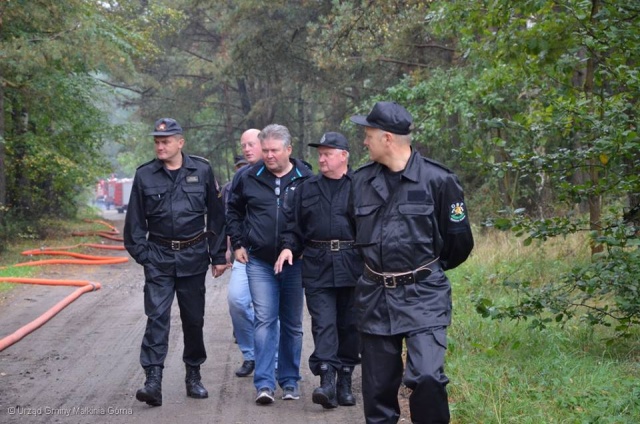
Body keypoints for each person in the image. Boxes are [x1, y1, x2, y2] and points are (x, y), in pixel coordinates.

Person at [349, 102, 474, 424]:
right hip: (375, 296)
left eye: (368, 135)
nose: (364, 141)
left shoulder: (439, 180)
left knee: (428, 377)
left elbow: (459, 242)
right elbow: (353, 232)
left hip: (424, 294)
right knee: (378, 390)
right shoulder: (360, 182)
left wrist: (422, 271)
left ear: (387, 138)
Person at [124, 118, 228, 407]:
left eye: (165, 141)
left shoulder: (201, 170)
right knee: (157, 317)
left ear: (180, 142)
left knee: (193, 319)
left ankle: (193, 375)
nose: (160, 146)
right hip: (158, 256)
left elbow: (216, 216)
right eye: (157, 142)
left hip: (193, 256)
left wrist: (218, 255)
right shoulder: (145, 175)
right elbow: (134, 223)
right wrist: (145, 256)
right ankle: (153, 380)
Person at [274, 132, 363, 409]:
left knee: (349, 325)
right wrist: (288, 247)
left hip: (352, 264)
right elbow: (293, 226)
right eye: (320, 154)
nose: (321, 159)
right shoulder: (306, 188)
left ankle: (344, 380)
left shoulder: (361, 186)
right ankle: (326, 381)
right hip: (317, 264)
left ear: (343, 156)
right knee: (324, 323)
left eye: (327, 154)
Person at [226, 124, 313, 405]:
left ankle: (289, 380)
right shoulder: (248, 177)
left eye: (274, 150)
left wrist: (296, 248)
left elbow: (310, 220)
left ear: (289, 149)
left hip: (294, 262)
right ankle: (264, 384)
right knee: (265, 320)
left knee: (292, 324)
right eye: (265, 150)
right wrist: (238, 243)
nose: (269, 155)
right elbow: (233, 210)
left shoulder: (306, 178)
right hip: (260, 261)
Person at [223, 129, 262, 378]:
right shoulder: (240, 177)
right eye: (243, 145)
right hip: (245, 253)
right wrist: (233, 246)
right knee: (237, 301)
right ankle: (250, 354)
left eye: (251, 144)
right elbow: (231, 214)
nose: (247, 149)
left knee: (270, 311)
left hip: (275, 254)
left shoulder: (285, 173)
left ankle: (273, 358)